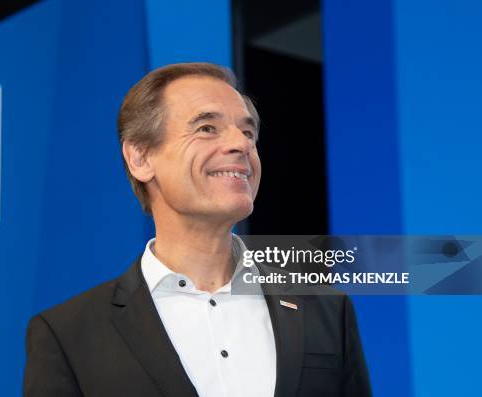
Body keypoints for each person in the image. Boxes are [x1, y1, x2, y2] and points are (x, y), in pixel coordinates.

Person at [23, 62, 372, 397]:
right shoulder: (67, 336)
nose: (241, 145)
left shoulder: (325, 308)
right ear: (141, 158)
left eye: (248, 131)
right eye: (207, 128)